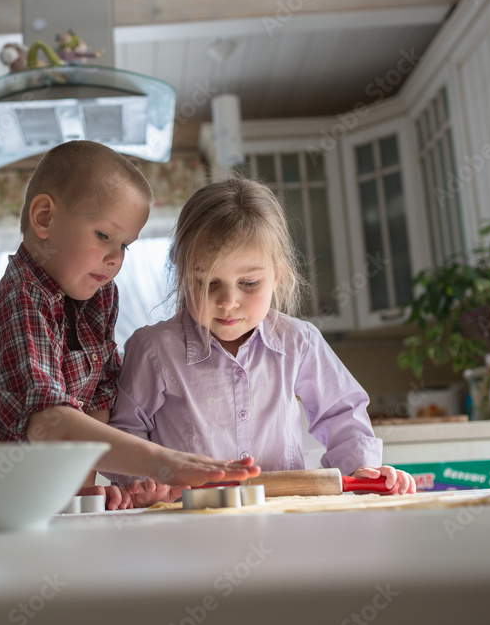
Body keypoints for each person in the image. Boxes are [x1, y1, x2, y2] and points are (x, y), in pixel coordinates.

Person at [0, 142, 260, 507]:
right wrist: (163, 460)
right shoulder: (15, 302)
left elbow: (98, 400)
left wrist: (78, 491)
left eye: (125, 246)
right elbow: (50, 425)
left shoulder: (100, 299)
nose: (114, 258)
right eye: (103, 236)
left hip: (30, 506)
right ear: (44, 218)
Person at [110, 178, 415, 495]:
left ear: (276, 278)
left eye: (249, 284)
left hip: (282, 517)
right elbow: (124, 433)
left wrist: (359, 467)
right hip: (188, 521)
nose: (228, 301)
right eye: (208, 283)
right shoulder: (154, 350)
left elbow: (341, 412)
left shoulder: (299, 341)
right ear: (183, 275)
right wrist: (141, 482)